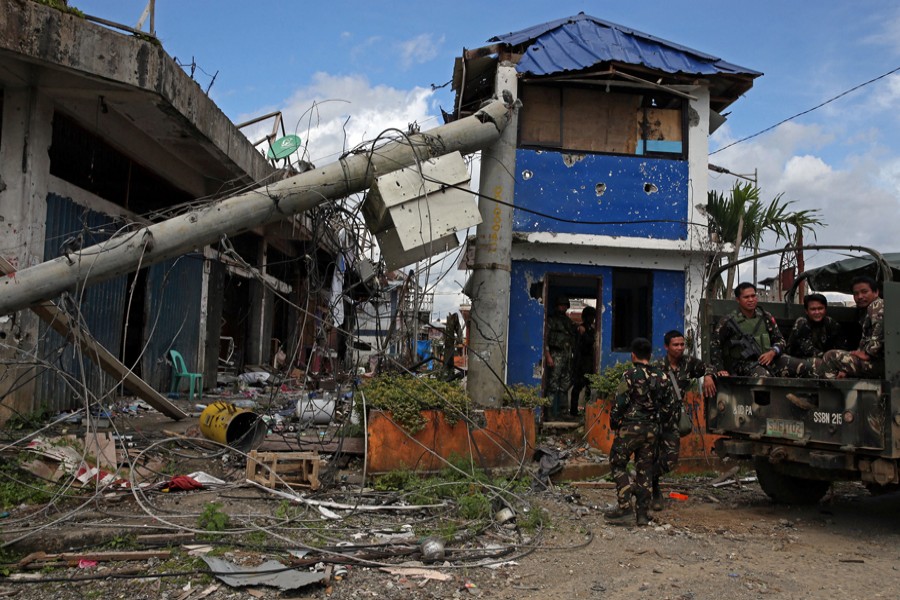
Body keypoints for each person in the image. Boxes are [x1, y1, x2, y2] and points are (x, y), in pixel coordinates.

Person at [606, 337, 677, 527]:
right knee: (644, 470)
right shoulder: (662, 376)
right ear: (650, 355)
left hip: (630, 427)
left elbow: (619, 402)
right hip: (652, 430)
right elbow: (670, 406)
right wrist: (658, 423)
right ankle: (643, 515)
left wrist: (614, 422)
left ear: (633, 355)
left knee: (618, 463)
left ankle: (624, 507)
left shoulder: (629, 375)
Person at [651, 330, 716, 511]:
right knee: (652, 454)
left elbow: (708, 366)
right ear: (666, 347)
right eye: (675, 345)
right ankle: (653, 490)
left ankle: (643, 478)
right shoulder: (656, 367)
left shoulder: (688, 364)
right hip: (655, 419)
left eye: (682, 345)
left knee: (670, 460)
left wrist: (708, 376)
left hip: (674, 420)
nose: (680, 348)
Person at [710, 282, 812, 378]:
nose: (751, 300)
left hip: (769, 359)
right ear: (738, 300)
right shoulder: (728, 321)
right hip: (743, 364)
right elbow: (715, 345)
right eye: (746, 297)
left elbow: (780, 340)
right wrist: (720, 369)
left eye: (753, 296)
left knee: (805, 366)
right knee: (764, 377)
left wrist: (772, 352)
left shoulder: (765, 317)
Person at [818, 276, 884, 379]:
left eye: (864, 292)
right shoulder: (865, 312)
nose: (860, 296)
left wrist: (869, 353)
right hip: (878, 362)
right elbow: (864, 342)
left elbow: (881, 328)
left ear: (876, 292)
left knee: (830, 357)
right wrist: (846, 368)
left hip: (881, 363)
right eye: (856, 294)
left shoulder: (877, 305)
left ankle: (830, 393)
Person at [544, 294, 578, 418]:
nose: (563, 308)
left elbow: (575, 332)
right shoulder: (551, 321)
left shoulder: (568, 321)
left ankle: (563, 412)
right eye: (561, 305)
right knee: (553, 384)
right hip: (555, 355)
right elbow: (545, 339)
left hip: (567, 356)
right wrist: (548, 356)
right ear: (556, 306)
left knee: (565, 385)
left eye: (565, 306)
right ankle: (548, 413)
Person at [786, 293, 845, 358]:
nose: (817, 312)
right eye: (813, 309)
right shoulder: (802, 323)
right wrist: (828, 357)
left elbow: (841, 347)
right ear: (806, 311)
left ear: (825, 309)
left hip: (825, 359)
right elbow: (807, 350)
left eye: (820, 308)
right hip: (801, 359)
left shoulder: (831, 323)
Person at [569, 305, 597, 417]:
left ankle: (587, 412)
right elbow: (586, 343)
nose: (592, 319)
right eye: (590, 317)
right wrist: (583, 333)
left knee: (589, 388)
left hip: (588, 362)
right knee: (577, 387)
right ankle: (574, 412)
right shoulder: (581, 329)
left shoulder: (591, 329)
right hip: (581, 362)